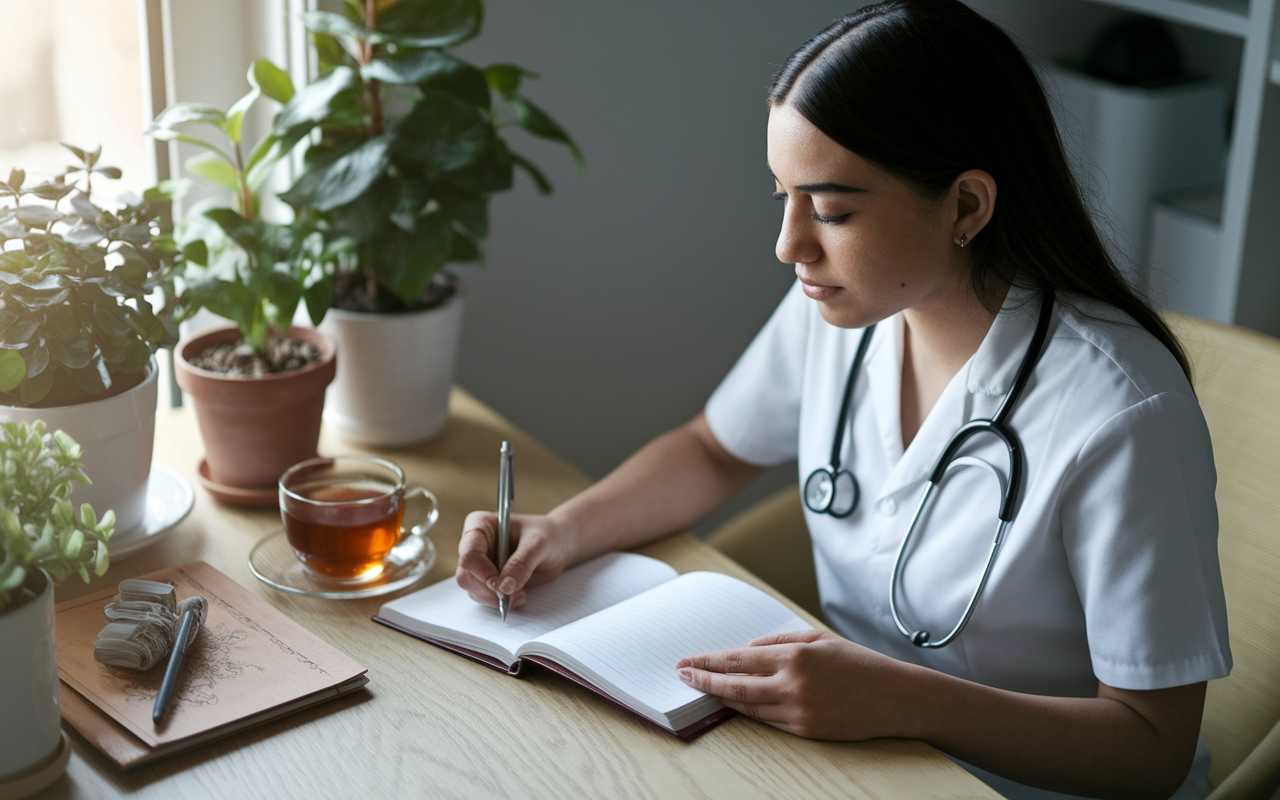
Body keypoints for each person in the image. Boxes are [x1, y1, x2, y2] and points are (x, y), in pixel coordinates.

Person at [454, 2, 1232, 798]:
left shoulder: (1125, 412)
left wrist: (900, 700)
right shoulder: (844, 309)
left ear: (966, 205)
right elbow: (715, 449)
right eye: (781, 197)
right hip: (852, 759)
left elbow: (1151, 748)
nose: (789, 246)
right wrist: (558, 533)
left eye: (831, 210)